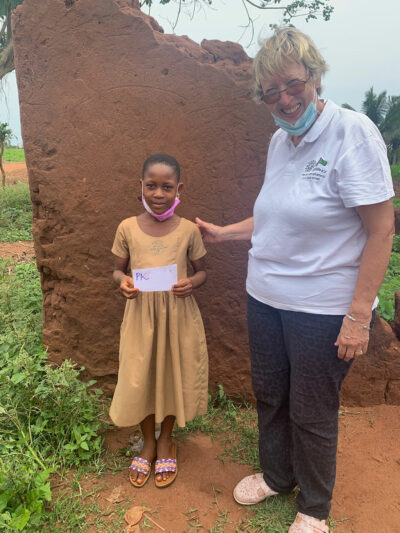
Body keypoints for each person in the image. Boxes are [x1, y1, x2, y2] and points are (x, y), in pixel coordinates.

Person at [196, 27, 394, 533]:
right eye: (271, 93)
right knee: (271, 393)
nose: (283, 100)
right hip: (265, 297)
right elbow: (275, 216)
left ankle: (314, 507)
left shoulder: (352, 133)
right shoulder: (280, 142)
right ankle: (278, 475)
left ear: (314, 75)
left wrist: (358, 316)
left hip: (322, 307)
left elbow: (380, 229)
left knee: (312, 407)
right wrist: (225, 233)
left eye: (292, 85)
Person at [110, 153, 208, 489]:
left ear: (179, 188)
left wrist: (191, 284)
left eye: (167, 187)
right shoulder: (126, 228)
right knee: (142, 376)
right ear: (140, 186)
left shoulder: (189, 231)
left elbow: (203, 272)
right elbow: (117, 269)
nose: (158, 193)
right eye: (151, 185)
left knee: (169, 375)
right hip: (140, 318)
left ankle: (166, 440)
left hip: (177, 318)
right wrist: (122, 281)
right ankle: (147, 441)